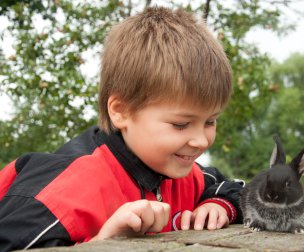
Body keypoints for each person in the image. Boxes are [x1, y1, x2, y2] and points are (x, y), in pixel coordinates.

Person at [0, 6, 244, 251]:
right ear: (121, 111)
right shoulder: (67, 189)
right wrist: (101, 244)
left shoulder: (185, 175)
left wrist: (218, 204)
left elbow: (239, 190)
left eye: (210, 121)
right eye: (181, 124)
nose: (201, 141)